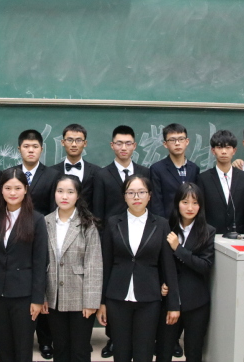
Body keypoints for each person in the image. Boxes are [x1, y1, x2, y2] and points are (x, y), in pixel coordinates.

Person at [96, 175, 180, 362]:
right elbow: (106, 264)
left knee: (144, 352)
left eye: (141, 192)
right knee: (121, 353)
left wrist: (173, 304)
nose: (136, 197)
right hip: (117, 297)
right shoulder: (113, 223)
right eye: (131, 193)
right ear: (124, 196)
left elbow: (168, 266)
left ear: (149, 196)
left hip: (149, 298)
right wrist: (102, 302)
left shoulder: (161, 224)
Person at [91, 125, 149, 358]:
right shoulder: (102, 174)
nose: (123, 147)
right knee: (115, 288)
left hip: (140, 239)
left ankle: (136, 340)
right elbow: (98, 211)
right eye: (119, 143)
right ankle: (114, 339)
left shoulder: (145, 172)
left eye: (128, 143)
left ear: (134, 146)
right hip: (112, 240)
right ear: (112, 145)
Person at [0, 168, 48, 362]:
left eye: (17, 188)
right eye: (8, 188)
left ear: (25, 190)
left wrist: (37, 299)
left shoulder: (36, 219)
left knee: (23, 350)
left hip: (24, 297)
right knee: (3, 349)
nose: (12, 193)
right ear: (1, 190)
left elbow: (40, 261)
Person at [42, 175, 103, 362]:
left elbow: (94, 265)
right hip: (53, 297)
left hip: (80, 298)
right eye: (60, 191)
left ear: (78, 195)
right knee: (60, 348)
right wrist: (41, 296)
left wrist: (91, 302)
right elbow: (40, 262)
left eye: (70, 192)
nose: (64, 196)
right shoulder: (45, 222)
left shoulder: (87, 224)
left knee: (80, 350)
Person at [155, 183, 215, 362]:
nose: (190, 208)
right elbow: (157, 261)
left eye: (195, 203)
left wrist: (178, 249)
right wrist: (161, 282)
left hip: (196, 302)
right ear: (177, 203)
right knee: (163, 351)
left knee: (193, 351)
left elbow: (204, 265)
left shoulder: (208, 231)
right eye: (185, 202)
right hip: (169, 300)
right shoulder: (166, 227)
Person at [15, 129, 59, 358]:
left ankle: (45, 340)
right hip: (15, 242)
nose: (30, 150)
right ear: (19, 149)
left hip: (42, 238)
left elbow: (54, 209)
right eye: (26, 146)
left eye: (34, 147)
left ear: (41, 149)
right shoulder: (11, 175)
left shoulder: (52, 175)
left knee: (42, 287)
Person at [197, 130, 244, 235]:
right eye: (219, 147)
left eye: (228, 147)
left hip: (239, 237)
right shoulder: (203, 179)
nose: (224, 152)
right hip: (211, 236)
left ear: (234, 150)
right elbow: (201, 212)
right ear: (213, 150)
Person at [150, 123, 200, 219]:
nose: (177, 143)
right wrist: (162, 225)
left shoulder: (194, 168)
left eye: (181, 139)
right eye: (172, 140)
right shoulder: (157, 169)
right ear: (165, 144)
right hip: (167, 222)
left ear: (187, 141)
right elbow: (156, 203)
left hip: (190, 222)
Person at [49, 124, 101, 210]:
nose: (74, 144)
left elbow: (98, 202)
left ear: (85, 143)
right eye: (69, 140)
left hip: (87, 217)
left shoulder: (97, 172)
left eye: (78, 140)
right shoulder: (51, 172)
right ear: (62, 142)